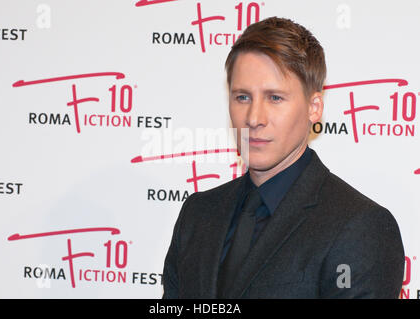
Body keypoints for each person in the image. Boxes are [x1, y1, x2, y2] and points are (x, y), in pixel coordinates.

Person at [162, 16, 405, 299]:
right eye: (242, 97)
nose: (254, 118)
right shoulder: (197, 213)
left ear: (314, 108)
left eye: (275, 98)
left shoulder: (360, 228)